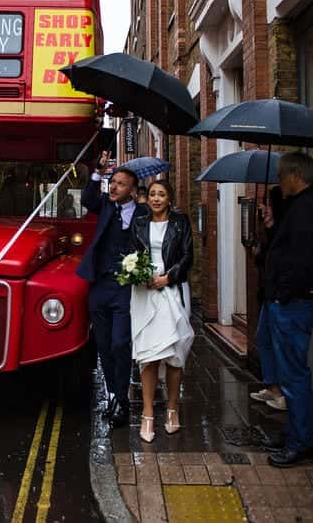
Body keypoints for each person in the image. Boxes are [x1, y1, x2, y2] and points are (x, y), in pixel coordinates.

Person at [260, 152, 313, 468]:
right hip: (291, 301)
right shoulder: (302, 207)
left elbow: (302, 261)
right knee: (290, 372)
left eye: (281, 175)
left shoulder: (306, 209)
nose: (278, 180)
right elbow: (286, 249)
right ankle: (293, 433)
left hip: (293, 303)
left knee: (293, 376)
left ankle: (301, 443)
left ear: (295, 175)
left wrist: (281, 296)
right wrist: (273, 225)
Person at [77, 151, 148, 428]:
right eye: (112, 182)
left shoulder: (143, 213)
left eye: (120, 184)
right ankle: (115, 398)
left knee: (121, 343)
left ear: (132, 190)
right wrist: (98, 170)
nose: (114, 187)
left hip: (125, 288)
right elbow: (86, 199)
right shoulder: (105, 204)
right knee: (103, 345)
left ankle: (122, 399)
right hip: (100, 285)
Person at [129, 180, 195, 442]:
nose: (156, 199)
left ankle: (171, 409)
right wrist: (140, 275)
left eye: (162, 194)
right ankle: (147, 414)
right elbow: (133, 254)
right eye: (153, 194)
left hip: (172, 289)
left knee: (174, 353)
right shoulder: (140, 223)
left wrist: (167, 278)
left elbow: (188, 256)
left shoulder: (181, 222)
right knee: (149, 354)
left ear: (170, 198)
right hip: (145, 292)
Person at [250, 185, 288, 412]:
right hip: (268, 292)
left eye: (270, 205)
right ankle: (273, 387)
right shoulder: (270, 228)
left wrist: (271, 230)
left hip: (278, 295)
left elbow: (279, 258)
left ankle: (282, 392)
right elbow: (265, 260)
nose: (266, 208)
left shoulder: (284, 228)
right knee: (263, 338)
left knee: (278, 342)